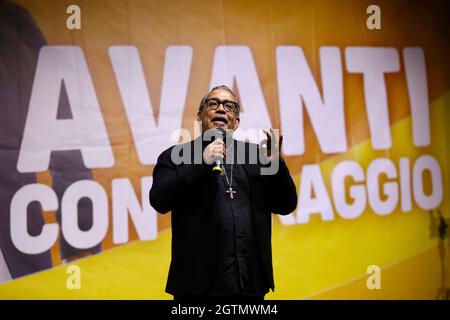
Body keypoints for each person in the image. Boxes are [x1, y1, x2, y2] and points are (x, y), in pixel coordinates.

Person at [149, 85, 297, 302]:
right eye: (213, 103)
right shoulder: (175, 156)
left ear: (236, 122)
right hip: (196, 288)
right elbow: (159, 200)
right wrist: (201, 162)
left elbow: (286, 205)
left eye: (229, 106)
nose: (221, 109)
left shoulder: (256, 156)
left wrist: (278, 167)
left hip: (250, 283)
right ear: (200, 116)